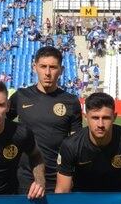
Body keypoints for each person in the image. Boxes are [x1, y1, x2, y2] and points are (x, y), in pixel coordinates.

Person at [8, 46, 82, 193]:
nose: (47, 73)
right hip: (25, 178)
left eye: (53, 67)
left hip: (59, 179)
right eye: (43, 66)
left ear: (61, 69)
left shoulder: (71, 101)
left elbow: (76, 143)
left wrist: (72, 176)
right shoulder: (20, 96)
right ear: (34, 67)